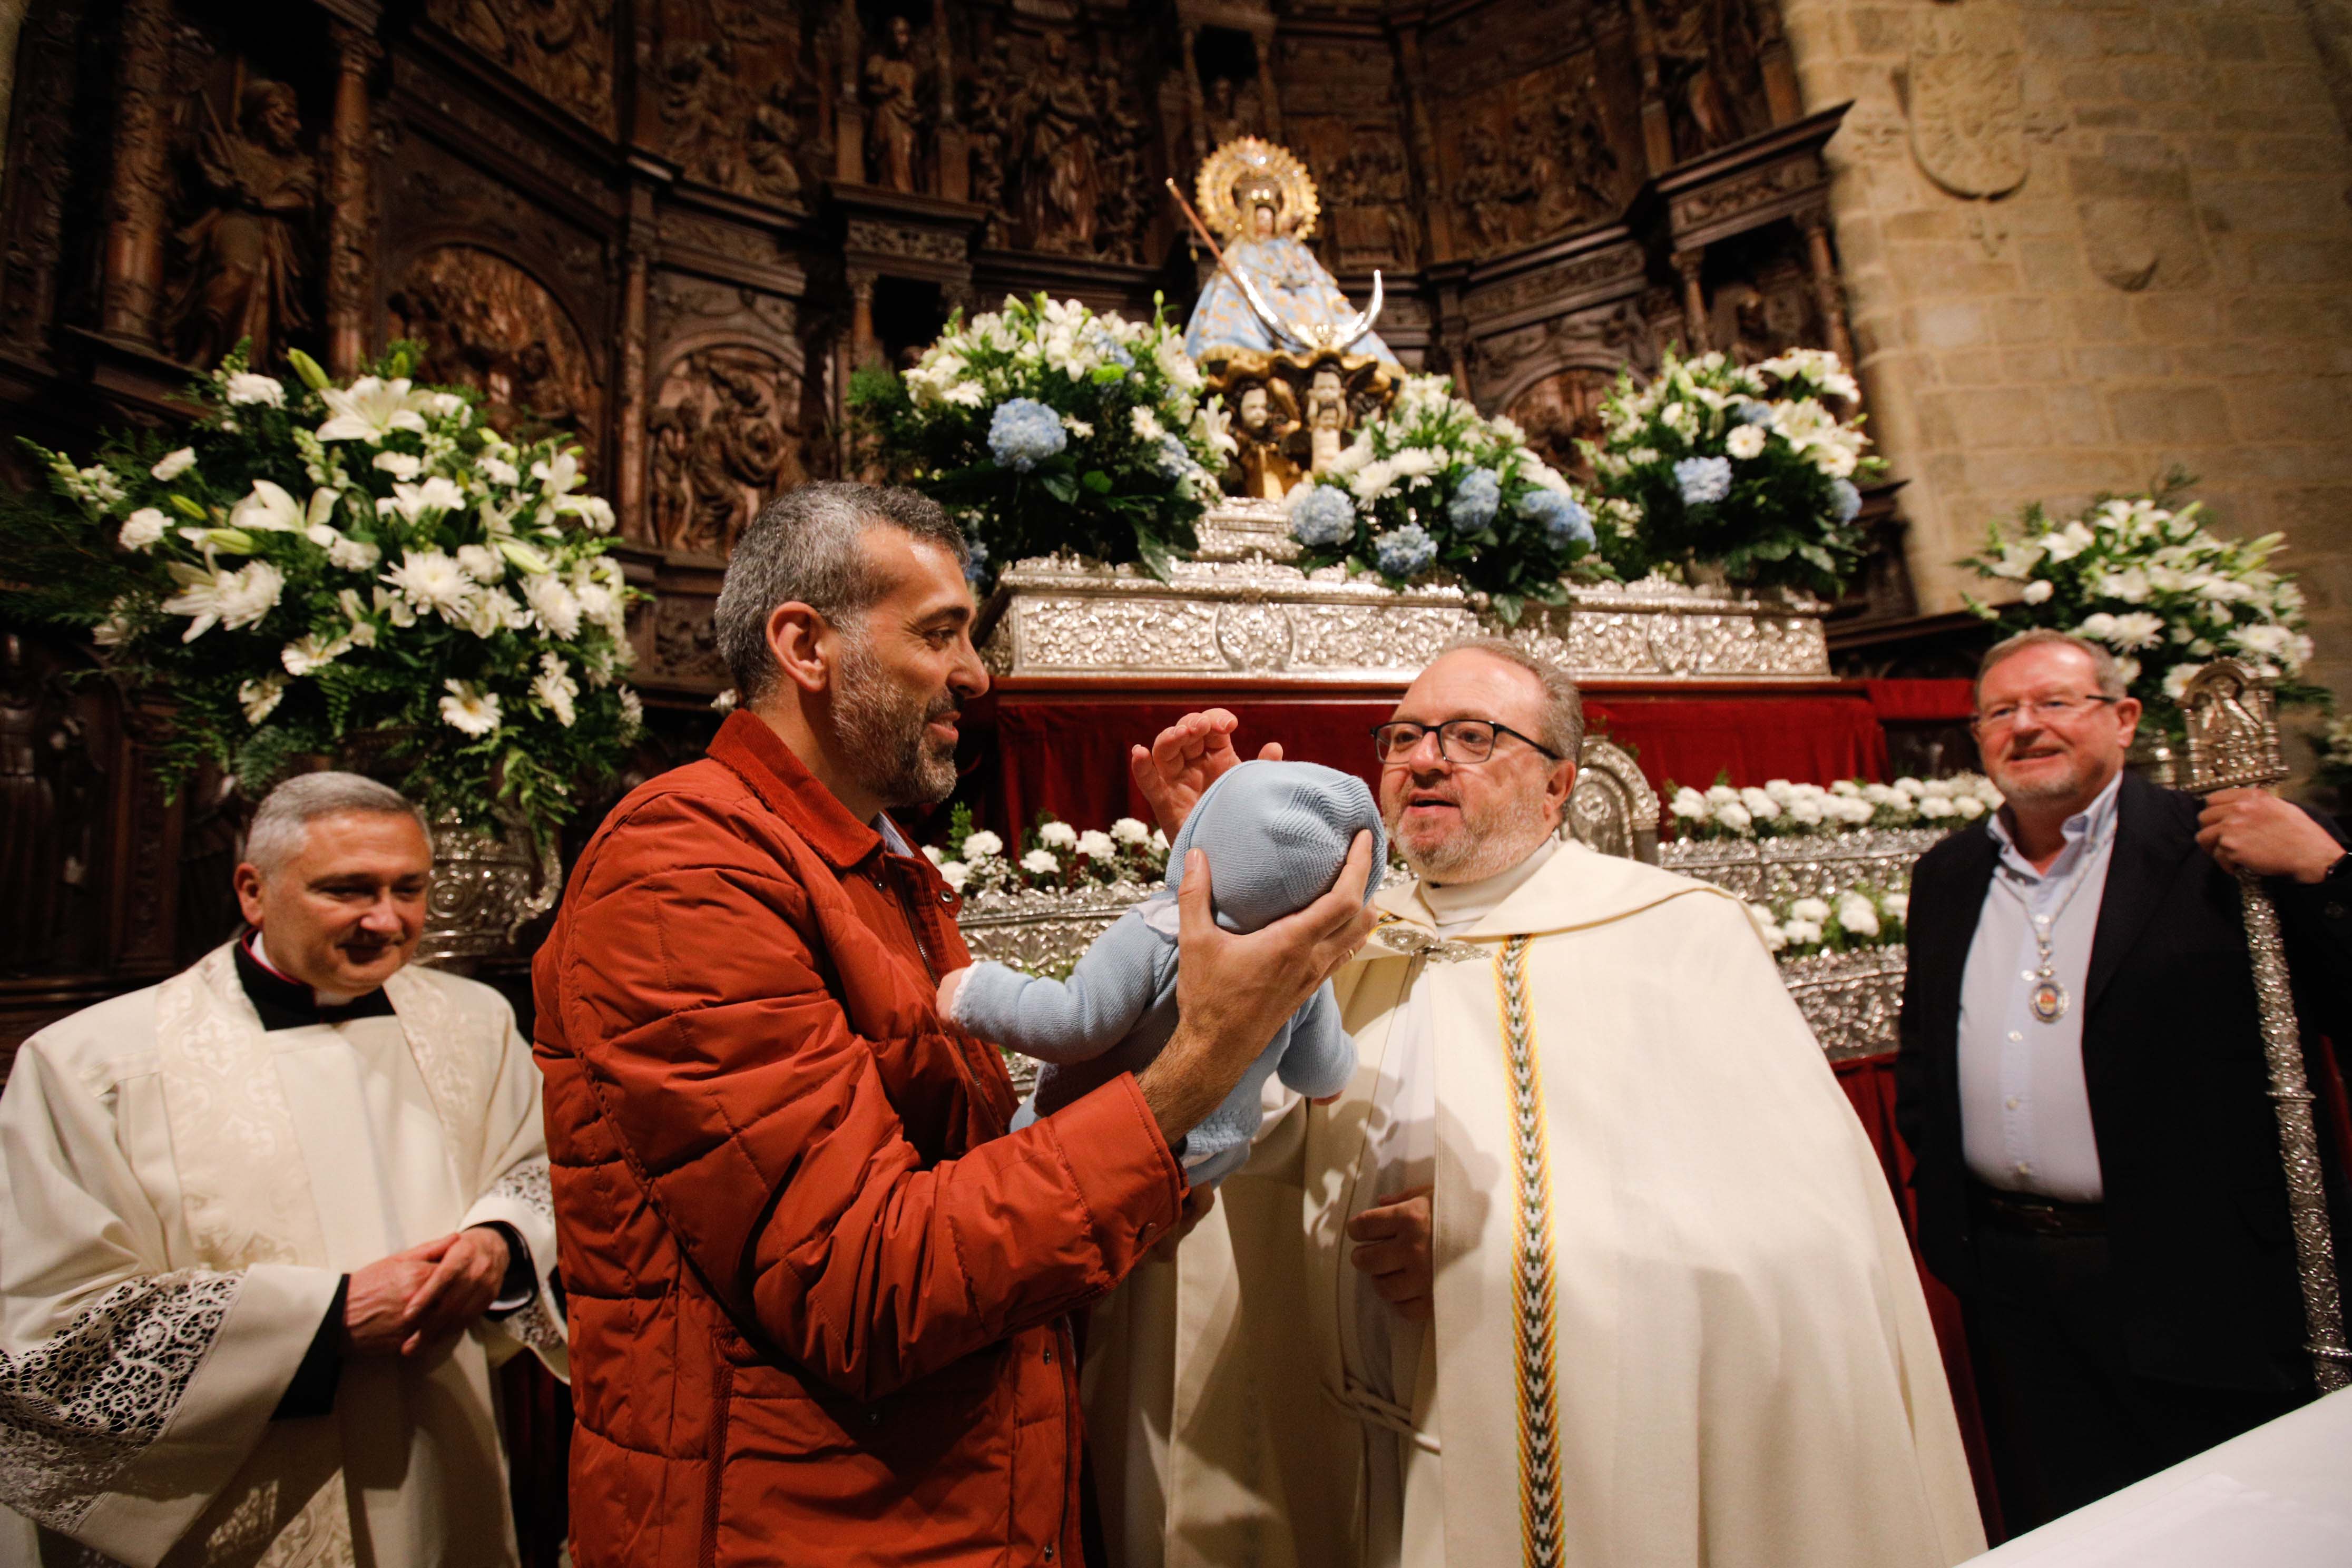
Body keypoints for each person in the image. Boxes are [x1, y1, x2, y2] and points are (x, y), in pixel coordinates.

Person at [530, 481, 1375, 1567]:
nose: (978, 675)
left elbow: (993, 1181)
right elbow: (863, 1288)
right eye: (941, 633)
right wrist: (1201, 1062)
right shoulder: (684, 872)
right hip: (797, 1525)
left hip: (952, 1497)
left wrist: (1202, 900)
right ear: (805, 645)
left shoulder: (868, 857)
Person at [1102, 640, 1985, 1568]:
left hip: (1566, 1446)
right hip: (1344, 1446)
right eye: (1403, 737)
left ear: (1558, 786)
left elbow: (1792, 1248)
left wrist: (1493, 1257)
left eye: (1471, 736)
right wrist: (1237, 873)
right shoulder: (1350, 936)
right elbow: (1243, 1142)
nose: (1425, 759)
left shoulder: (1672, 934)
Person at [0, 772, 564, 1567]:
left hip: (436, 1445)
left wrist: (500, 1246)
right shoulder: (95, 1067)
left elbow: (536, 1169)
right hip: (236, 1496)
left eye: (411, 889)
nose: (389, 920)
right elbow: (48, 1329)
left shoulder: (473, 1023)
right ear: (253, 891)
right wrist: (322, 1322)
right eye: (349, 890)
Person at [1896, 629, 2352, 1534]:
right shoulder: (1947, 873)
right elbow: (1923, 1060)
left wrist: (2324, 871)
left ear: (2121, 717)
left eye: (2054, 702)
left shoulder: (2218, 843)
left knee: (2244, 1530)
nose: (2025, 727)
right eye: (1999, 711)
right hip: (2020, 1283)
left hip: (2207, 1279)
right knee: (2091, 1527)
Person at [946, 760, 1379, 1185]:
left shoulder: (1156, 932)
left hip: (1097, 1147)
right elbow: (1317, 1072)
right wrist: (1336, 1079)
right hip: (1211, 1155)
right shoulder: (1301, 973)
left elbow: (1074, 1023)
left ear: (1197, 841)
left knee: (1020, 1152)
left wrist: (976, 992)